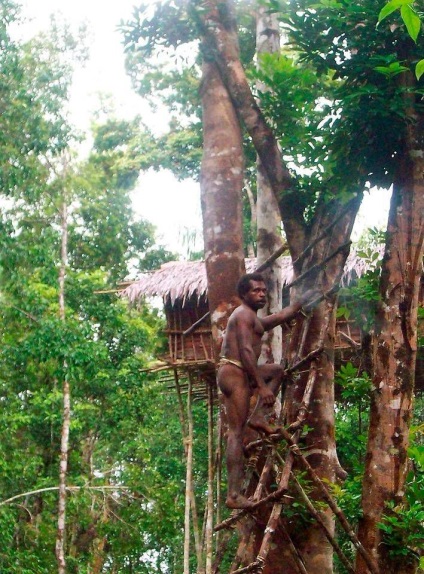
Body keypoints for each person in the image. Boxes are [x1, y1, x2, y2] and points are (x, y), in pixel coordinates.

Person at [217, 272, 318, 509]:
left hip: (241, 371)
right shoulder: (242, 315)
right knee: (236, 433)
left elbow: (281, 316)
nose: (262, 294)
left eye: (264, 290)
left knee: (277, 370)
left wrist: (300, 303)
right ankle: (233, 495)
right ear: (244, 294)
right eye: (256, 290)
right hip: (234, 372)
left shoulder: (253, 318)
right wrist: (261, 387)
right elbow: (246, 351)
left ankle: (259, 417)